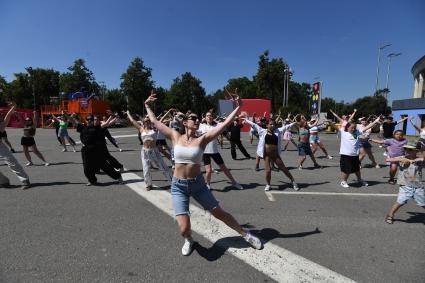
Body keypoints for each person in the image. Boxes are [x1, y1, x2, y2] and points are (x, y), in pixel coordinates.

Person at [144, 90, 263, 255]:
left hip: (197, 184)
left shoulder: (202, 139)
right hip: (178, 186)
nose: (197, 120)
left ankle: (245, 234)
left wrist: (238, 107)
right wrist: (146, 105)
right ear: (185, 122)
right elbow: (154, 121)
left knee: (219, 213)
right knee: (184, 229)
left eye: (198, 119)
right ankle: (189, 240)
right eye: (194, 118)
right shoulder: (174, 135)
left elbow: (224, 124)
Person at [243, 114, 298, 191]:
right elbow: (254, 125)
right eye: (271, 124)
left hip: (275, 155)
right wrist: (246, 120)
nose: (272, 125)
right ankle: (268, 184)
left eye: (274, 124)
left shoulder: (278, 131)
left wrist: (294, 123)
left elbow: (286, 127)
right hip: (266, 155)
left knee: (283, 168)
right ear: (267, 125)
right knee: (268, 170)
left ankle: (293, 181)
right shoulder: (262, 131)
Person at [70, 114, 123, 186]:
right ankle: (92, 180)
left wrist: (111, 117)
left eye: (91, 120)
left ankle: (118, 176)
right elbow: (73, 122)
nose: (89, 121)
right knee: (86, 168)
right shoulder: (82, 127)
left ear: (93, 121)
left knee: (104, 166)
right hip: (85, 150)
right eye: (87, 119)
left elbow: (107, 124)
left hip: (95, 150)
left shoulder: (97, 128)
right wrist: (67, 115)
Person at [198, 111, 243, 190]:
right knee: (208, 171)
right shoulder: (201, 126)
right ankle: (207, 185)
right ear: (205, 118)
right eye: (207, 115)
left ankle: (234, 182)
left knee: (224, 169)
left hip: (214, 152)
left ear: (213, 117)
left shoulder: (217, 125)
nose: (209, 117)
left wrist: (238, 117)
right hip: (205, 152)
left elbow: (227, 121)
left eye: (211, 115)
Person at [127, 111, 172, 190]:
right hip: (145, 151)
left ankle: (172, 182)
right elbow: (132, 121)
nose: (147, 122)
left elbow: (161, 120)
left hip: (154, 151)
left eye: (148, 121)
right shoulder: (141, 129)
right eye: (146, 121)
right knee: (146, 168)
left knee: (163, 167)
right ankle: (149, 184)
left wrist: (167, 113)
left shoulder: (154, 128)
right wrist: (128, 113)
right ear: (143, 122)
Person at [333, 116, 381, 188]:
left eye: (355, 127)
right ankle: (343, 181)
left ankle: (359, 179)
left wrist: (375, 121)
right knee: (347, 169)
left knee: (357, 168)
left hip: (355, 155)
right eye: (352, 128)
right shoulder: (343, 132)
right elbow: (335, 127)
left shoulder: (356, 132)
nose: (353, 129)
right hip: (346, 155)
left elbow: (367, 127)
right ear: (347, 127)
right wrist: (329, 121)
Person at [384, 141, 424, 224]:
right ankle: (390, 215)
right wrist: (401, 159)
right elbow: (388, 159)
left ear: (417, 151)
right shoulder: (402, 157)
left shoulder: (420, 161)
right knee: (400, 202)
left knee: (423, 203)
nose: (407, 150)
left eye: (410, 149)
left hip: (418, 186)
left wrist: (420, 158)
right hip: (405, 185)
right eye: (406, 149)